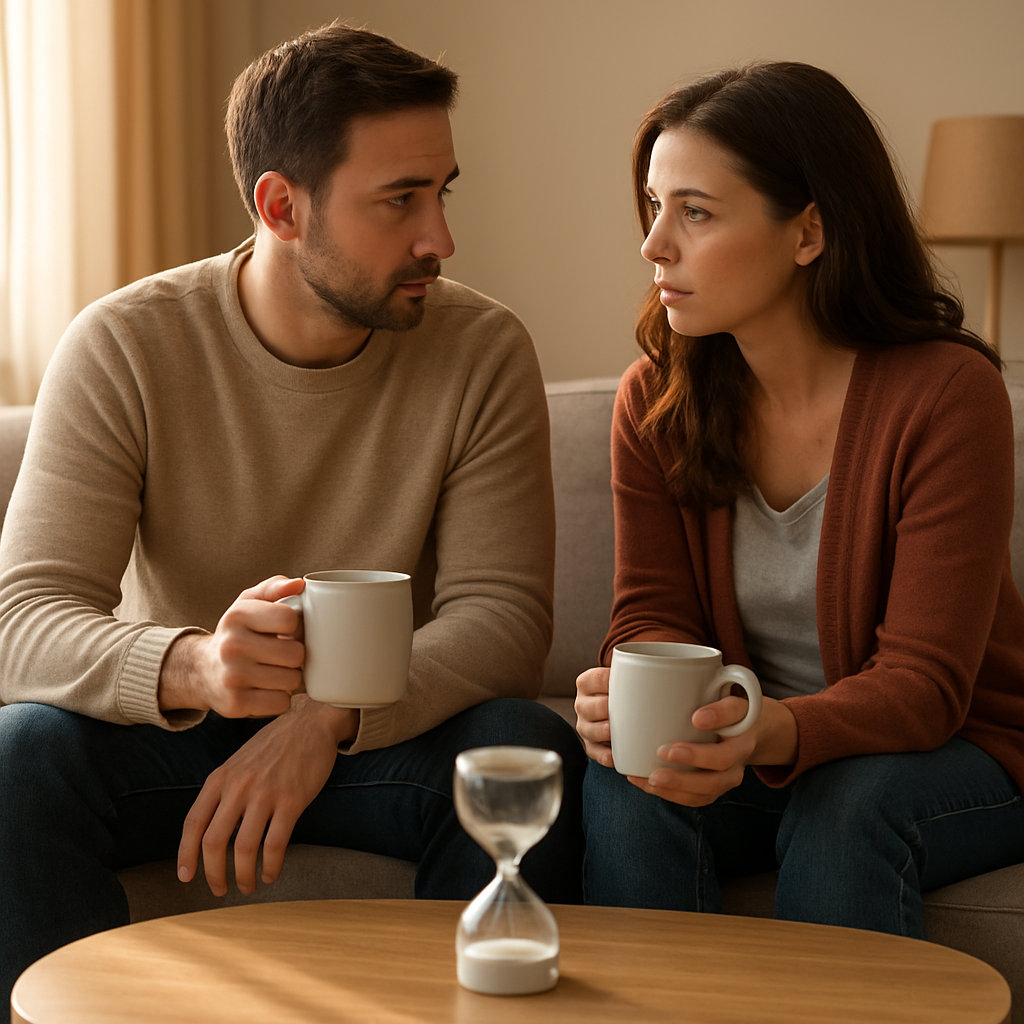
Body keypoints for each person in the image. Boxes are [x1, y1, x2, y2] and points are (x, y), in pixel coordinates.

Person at [0, 23, 585, 1002]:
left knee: (525, 743)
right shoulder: (126, 345)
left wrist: (324, 716)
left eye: (441, 191)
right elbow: (23, 621)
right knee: (20, 755)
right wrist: (197, 665)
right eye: (400, 200)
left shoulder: (480, 350)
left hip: (383, 742)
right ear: (280, 205)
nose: (439, 237)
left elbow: (505, 623)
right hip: (180, 732)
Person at [575, 61, 1024, 936]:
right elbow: (652, 616)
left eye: (695, 212)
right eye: (654, 205)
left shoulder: (947, 393)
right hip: (751, 741)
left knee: (847, 802)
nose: (654, 243)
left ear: (809, 230)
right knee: (625, 780)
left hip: (957, 751)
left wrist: (762, 729)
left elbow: (925, 685)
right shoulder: (657, 401)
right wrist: (637, 699)